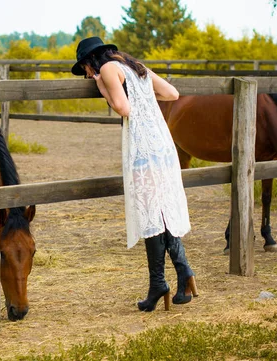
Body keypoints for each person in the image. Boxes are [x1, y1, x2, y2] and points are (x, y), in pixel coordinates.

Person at [71, 37, 198, 311]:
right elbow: (172, 94)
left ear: (89, 61)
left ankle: (161, 283)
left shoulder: (106, 71)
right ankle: (180, 274)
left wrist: (102, 87)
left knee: (151, 213)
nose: (86, 74)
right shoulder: (134, 65)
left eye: (84, 68)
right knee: (160, 210)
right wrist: (147, 101)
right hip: (161, 141)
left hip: (142, 145)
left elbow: (123, 108)